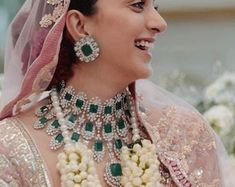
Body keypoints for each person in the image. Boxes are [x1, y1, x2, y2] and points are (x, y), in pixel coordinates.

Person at [0, 0, 234, 186]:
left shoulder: (185, 136)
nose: (159, 23)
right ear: (80, 26)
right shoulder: (10, 148)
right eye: (138, 5)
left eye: (155, 6)